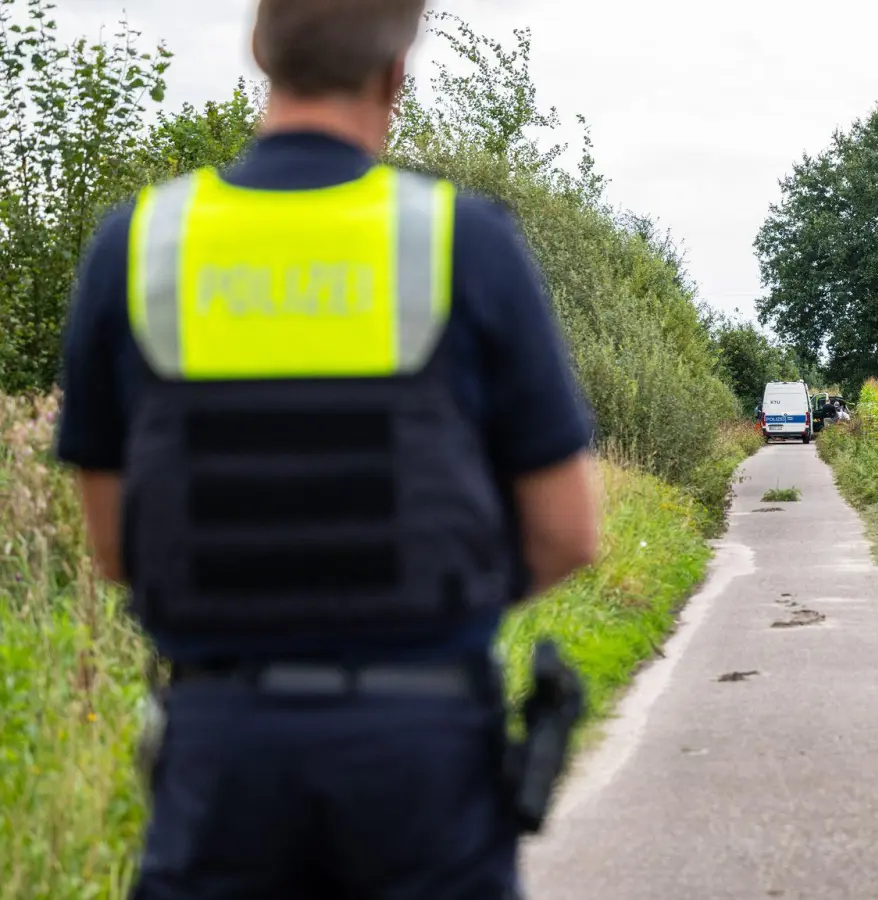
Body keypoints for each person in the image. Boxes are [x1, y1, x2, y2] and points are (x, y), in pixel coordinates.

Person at [53, 0, 601, 896]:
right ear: (396, 73)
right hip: (421, 753)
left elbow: (117, 551)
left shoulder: (138, 246)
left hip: (221, 755)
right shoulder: (464, 243)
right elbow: (569, 534)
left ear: (260, 55)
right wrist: (427, 597)